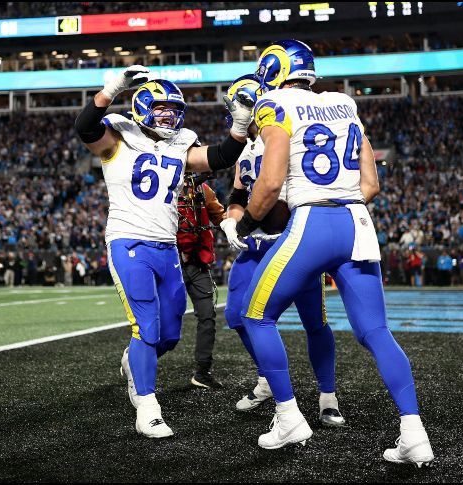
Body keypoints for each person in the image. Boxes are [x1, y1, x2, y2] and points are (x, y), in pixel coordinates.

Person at [232, 40, 433, 465]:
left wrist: (245, 223)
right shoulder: (343, 103)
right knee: (377, 333)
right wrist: (340, 202)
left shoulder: (273, 102)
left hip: (313, 222)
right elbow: (371, 183)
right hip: (358, 223)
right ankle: (414, 431)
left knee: (256, 316)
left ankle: (289, 417)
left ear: (270, 70)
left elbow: (269, 184)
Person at [75, 65, 253, 437]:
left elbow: (220, 157)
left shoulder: (179, 143)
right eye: (161, 107)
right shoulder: (117, 137)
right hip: (129, 240)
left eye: (174, 108)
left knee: (170, 334)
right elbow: (86, 128)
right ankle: (147, 406)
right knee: (147, 328)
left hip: (167, 246)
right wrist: (111, 90)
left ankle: (134, 362)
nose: (169, 114)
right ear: (140, 105)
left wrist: (239, 126)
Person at [221, 76, 344, 426]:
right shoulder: (245, 147)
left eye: (241, 107)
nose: (237, 115)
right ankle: (267, 378)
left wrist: (246, 221)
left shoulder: (284, 135)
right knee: (235, 315)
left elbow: (277, 199)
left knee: (314, 322)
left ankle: (328, 397)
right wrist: (232, 219)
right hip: (255, 246)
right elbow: (238, 194)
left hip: (291, 242)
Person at [175, 172, 225, 389]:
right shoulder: (164, 186)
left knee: (207, 316)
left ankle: (203, 372)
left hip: (196, 263)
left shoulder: (203, 190)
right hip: (171, 263)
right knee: (164, 323)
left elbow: (220, 217)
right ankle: (137, 360)